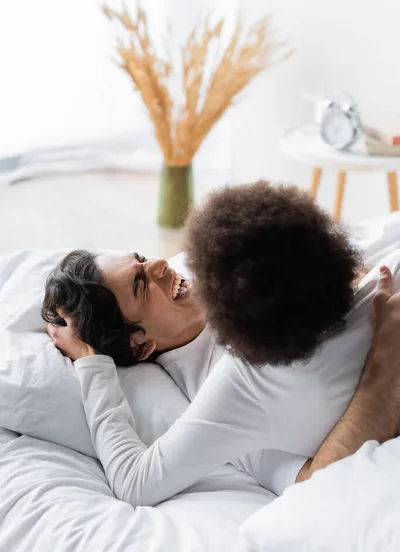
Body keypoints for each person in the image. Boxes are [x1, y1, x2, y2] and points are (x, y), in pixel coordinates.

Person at [42, 182, 400, 506]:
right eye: (141, 283)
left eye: (141, 258)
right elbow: (135, 481)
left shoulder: (243, 266)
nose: (162, 263)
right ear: (140, 346)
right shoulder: (231, 387)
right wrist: (91, 362)